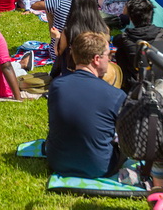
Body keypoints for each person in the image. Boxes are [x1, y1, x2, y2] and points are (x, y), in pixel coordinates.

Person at [46, 31, 126, 178]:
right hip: (99, 167)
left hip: (57, 162)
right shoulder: (116, 95)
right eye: (108, 55)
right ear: (96, 59)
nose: (110, 59)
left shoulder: (57, 86)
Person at [53, 0, 112, 79]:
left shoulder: (69, 30)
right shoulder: (104, 28)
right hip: (97, 71)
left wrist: (57, 37)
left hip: (73, 71)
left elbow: (58, 52)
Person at [113, 0, 163, 88]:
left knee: (120, 52)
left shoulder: (126, 38)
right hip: (162, 82)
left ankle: (123, 84)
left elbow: (115, 41)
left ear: (130, 18)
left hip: (139, 87)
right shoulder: (161, 33)